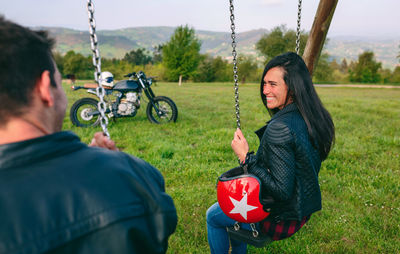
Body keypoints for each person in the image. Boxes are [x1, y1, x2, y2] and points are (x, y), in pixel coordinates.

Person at [0, 16, 177, 254]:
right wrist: (109, 168)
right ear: (45, 88)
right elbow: (163, 221)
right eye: (59, 82)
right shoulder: (134, 177)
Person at [206, 52, 335, 253]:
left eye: (273, 84)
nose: (265, 90)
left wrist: (246, 157)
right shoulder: (311, 116)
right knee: (233, 220)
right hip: (302, 209)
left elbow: (281, 190)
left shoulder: (280, 128)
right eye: (264, 83)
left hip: (279, 217)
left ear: (292, 87)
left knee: (213, 217)